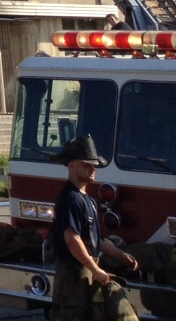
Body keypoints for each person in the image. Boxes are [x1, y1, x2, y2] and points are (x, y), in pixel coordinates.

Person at [48, 134, 138, 321]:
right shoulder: (70, 199)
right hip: (72, 278)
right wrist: (95, 269)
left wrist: (121, 256)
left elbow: (96, 240)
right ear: (71, 166)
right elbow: (72, 239)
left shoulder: (87, 200)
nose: (92, 168)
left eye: (94, 164)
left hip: (86, 274)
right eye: (86, 164)